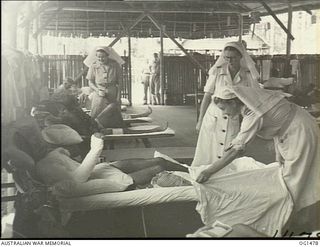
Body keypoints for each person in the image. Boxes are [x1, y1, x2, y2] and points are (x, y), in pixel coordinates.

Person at [195, 86, 320, 214]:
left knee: (294, 176)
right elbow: (278, 121)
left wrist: (209, 171)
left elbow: (235, 151)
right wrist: (278, 152)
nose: (223, 113)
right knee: (290, 171)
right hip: (292, 127)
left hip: (300, 130)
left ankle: (289, 213)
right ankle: (295, 208)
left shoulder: (252, 112)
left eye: (223, 108)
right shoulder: (250, 101)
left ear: (232, 102)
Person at [192, 41, 260, 167]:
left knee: (229, 149)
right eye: (226, 57)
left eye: (233, 58)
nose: (230, 61)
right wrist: (200, 120)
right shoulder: (217, 72)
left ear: (241, 56)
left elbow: (254, 95)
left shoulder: (248, 74)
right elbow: (207, 96)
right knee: (208, 151)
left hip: (233, 116)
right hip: (214, 115)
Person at [86, 47, 123, 119]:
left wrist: (118, 97)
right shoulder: (93, 66)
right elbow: (90, 82)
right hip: (98, 92)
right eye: (99, 57)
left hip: (112, 92)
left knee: (114, 115)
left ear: (107, 56)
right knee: (96, 113)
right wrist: (97, 90)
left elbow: (120, 82)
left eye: (103, 57)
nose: (101, 59)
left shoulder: (115, 65)